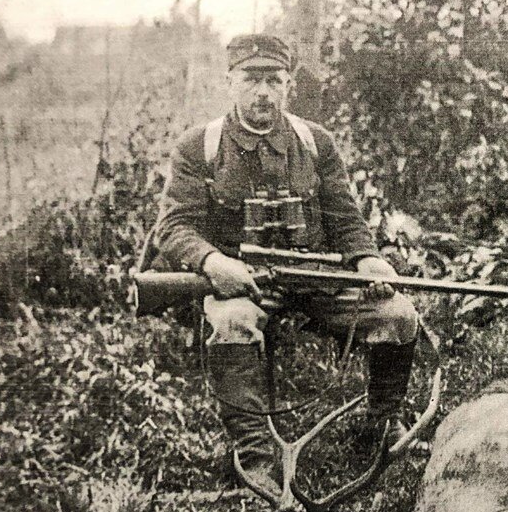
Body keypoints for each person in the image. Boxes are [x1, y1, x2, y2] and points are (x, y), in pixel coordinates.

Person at [150, 34, 419, 487]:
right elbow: (174, 227)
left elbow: (344, 217)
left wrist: (368, 259)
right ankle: (254, 453)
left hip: (315, 281)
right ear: (229, 82)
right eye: (251, 80)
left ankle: (382, 420)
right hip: (240, 285)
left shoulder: (315, 143)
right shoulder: (201, 147)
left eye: (274, 81)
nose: (263, 92)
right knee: (232, 322)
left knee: (398, 314)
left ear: (287, 84)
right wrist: (214, 262)